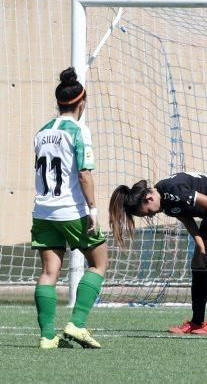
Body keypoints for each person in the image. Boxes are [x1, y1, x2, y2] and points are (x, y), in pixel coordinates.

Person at [32, 67, 107, 349]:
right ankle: (76, 324)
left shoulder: (41, 132)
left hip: (42, 211)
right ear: (81, 102)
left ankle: (47, 336)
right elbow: (84, 173)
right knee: (99, 263)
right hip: (71, 210)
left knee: (49, 271)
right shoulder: (78, 131)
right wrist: (93, 211)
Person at [108, 172, 207, 335]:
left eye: (147, 212)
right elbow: (187, 219)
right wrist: (201, 244)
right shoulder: (166, 204)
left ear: (149, 199)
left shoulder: (175, 191)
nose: (150, 215)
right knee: (198, 262)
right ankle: (197, 322)